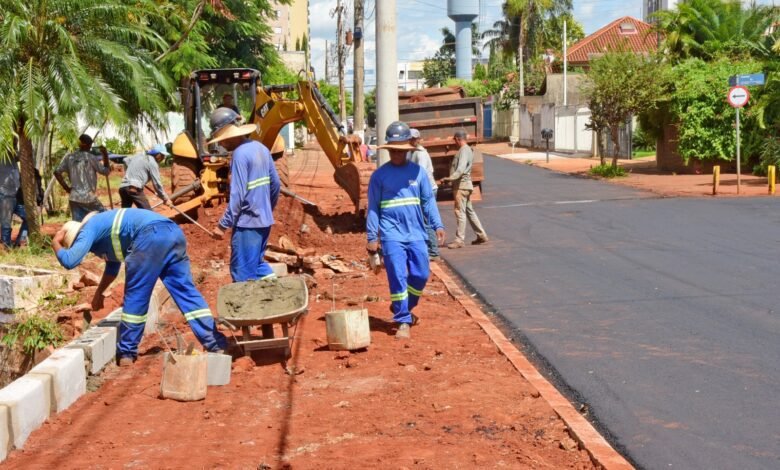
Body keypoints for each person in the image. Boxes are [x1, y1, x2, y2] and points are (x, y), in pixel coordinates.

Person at [53, 209, 228, 365]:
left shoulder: (88, 229)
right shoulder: (104, 229)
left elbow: (70, 260)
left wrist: (56, 243)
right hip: (173, 233)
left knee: (136, 294)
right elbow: (112, 267)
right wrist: (98, 293)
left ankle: (127, 352)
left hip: (149, 236)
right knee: (186, 292)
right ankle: (215, 343)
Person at [367, 121, 445, 339]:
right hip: (391, 235)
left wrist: (437, 224)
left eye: (400, 151)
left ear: (408, 151)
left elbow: (428, 201)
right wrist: (372, 238)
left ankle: (404, 306)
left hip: (417, 233)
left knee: (421, 273)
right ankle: (402, 319)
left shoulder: (418, 173)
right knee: (398, 276)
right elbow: (373, 208)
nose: (396, 155)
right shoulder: (379, 176)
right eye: (393, 150)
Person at [209, 109, 281, 282]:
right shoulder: (261, 148)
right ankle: (277, 296)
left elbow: (237, 196)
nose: (222, 145)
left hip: (247, 224)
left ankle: (246, 308)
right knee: (257, 264)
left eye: (223, 140)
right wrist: (266, 209)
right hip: (264, 221)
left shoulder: (240, 155)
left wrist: (222, 225)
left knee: (241, 271)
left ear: (230, 135)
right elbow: (276, 184)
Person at [439, 130, 488, 249]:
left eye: (454, 140)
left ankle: (459, 239)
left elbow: (460, 169)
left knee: (459, 212)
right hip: (466, 185)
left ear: (457, 139)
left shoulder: (464, 151)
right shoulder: (467, 150)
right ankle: (481, 235)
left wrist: (450, 178)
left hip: (461, 186)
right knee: (469, 211)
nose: (454, 142)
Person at [54, 134, 110, 221]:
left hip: (74, 198)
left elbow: (57, 172)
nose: (90, 147)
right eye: (90, 145)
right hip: (89, 198)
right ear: (87, 145)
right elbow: (106, 171)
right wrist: (105, 154)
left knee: (78, 226)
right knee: (105, 218)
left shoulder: (70, 157)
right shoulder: (91, 158)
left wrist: (66, 188)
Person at [407, 129, 440, 260]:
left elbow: (420, 175)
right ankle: (427, 248)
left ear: (419, 139)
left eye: (414, 139)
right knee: (422, 219)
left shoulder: (420, 154)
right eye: (410, 138)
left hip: (427, 190)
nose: (412, 140)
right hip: (422, 189)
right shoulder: (411, 152)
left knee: (427, 220)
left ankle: (433, 251)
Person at [119, 144, 172, 209]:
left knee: (125, 212)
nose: (163, 158)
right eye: (163, 155)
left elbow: (126, 160)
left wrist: (130, 176)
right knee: (148, 212)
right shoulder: (152, 163)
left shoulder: (139, 156)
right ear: (158, 155)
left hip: (123, 187)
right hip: (134, 188)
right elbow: (157, 184)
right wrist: (166, 199)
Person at [0, 155, 20, 247]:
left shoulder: (13, 157)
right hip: (6, 194)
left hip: (13, 194)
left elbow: (23, 155)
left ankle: (19, 240)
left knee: (27, 216)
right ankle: (6, 244)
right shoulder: (4, 154)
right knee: (6, 221)